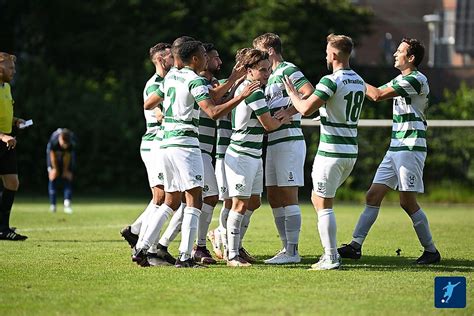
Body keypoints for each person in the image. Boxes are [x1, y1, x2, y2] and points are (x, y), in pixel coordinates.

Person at [133, 40, 259, 268]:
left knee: (170, 201)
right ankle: (185, 256)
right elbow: (212, 111)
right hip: (185, 145)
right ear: (194, 59)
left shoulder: (171, 76)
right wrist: (239, 96)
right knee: (194, 202)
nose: (205, 57)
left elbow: (150, 103)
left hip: (165, 145)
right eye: (202, 54)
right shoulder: (194, 80)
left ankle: (142, 248)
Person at [337, 38, 441, 265]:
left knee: (407, 202)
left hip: (410, 147)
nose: (395, 54)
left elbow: (375, 95)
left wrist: (349, 76)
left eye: (399, 51)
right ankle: (355, 246)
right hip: (397, 147)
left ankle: (431, 251)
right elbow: (375, 92)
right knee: (373, 196)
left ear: (411, 58)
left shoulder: (415, 79)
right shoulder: (401, 78)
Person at [283, 34, 366, 270]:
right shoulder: (359, 80)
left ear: (334, 55)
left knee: (322, 202)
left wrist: (292, 93)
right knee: (320, 200)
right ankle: (329, 255)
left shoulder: (331, 80)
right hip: (350, 150)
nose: (325, 55)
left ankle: (330, 257)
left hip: (331, 151)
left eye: (327, 51)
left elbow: (306, 109)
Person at [253, 33, 314, 264]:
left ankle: (294, 251)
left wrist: (289, 112)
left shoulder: (288, 69)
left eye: (259, 51)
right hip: (274, 141)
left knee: (289, 195)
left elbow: (309, 92)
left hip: (289, 140)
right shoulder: (269, 75)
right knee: (274, 194)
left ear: (269, 50)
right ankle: (285, 248)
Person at [224, 48, 289, 267]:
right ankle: (232, 254)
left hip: (252, 153)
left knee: (253, 202)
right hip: (242, 153)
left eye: (269, 70)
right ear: (248, 70)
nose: (267, 74)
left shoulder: (251, 88)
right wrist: (285, 117)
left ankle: (237, 248)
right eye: (262, 70)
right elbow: (269, 125)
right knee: (240, 205)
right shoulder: (253, 91)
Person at [120, 42, 173, 253]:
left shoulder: (168, 81)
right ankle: (146, 246)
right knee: (161, 197)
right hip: (154, 144)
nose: (174, 59)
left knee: (163, 196)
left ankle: (136, 231)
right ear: (160, 60)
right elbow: (159, 115)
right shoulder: (155, 84)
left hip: (160, 144)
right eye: (170, 56)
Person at [0, 52, 27, 240]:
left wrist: (16, 121)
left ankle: (3, 228)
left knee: (12, 183)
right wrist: (2, 136)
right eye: (11, 68)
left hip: (6, 141)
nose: (14, 71)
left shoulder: (7, 87)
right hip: (2, 139)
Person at [46, 128, 76, 214]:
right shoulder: (54, 141)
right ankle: (53, 205)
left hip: (65, 159)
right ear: (60, 138)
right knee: (52, 177)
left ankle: (67, 204)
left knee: (68, 177)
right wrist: (54, 169)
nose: (64, 145)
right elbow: (51, 156)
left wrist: (66, 170)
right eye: (63, 143)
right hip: (53, 158)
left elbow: (68, 157)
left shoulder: (71, 142)